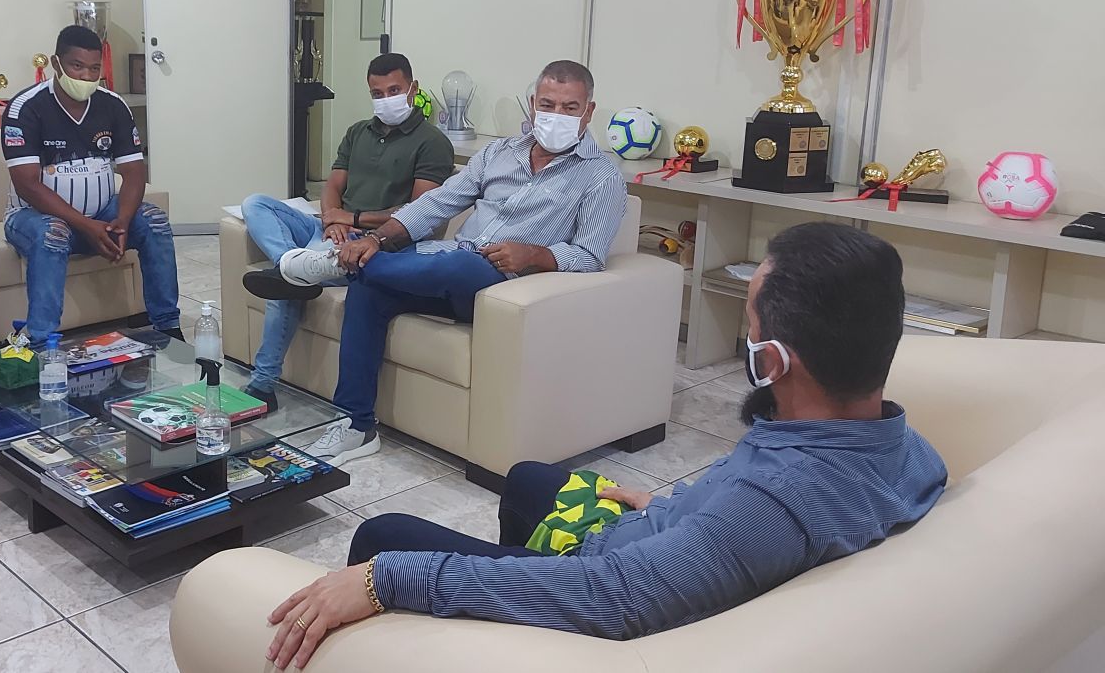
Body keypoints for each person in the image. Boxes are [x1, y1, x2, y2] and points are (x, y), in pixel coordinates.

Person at [262, 222, 948, 669]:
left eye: (747, 324)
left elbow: (611, 593)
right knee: (529, 478)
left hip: (606, 588)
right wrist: (671, 509)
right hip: (661, 542)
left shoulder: (767, 504)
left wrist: (389, 578)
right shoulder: (907, 447)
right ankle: (492, 635)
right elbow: (741, 514)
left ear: (771, 361)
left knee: (384, 537)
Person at [290, 61, 627, 464]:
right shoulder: (499, 153)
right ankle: (356, 426)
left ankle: (336, 266)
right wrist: (377, 239)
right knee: (371, 288)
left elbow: (590, 255)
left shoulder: (602, 177)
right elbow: (438, 202)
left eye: (570, 108)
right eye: (548, 104)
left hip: (502, 285)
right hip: (447, 268)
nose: (556, 116)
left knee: (460, 264)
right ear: (532, 104)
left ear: (589, 111)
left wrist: (536, 254)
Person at [238, 53, 455, 409]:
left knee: (287, 286)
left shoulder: (432, 141)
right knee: (255, 204)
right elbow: (333, 186)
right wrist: (330, 219)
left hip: (374, 242)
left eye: (394, 90)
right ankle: (290, 262)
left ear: (413, 88)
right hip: (332, 230)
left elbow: (418, 213)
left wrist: (350, 220)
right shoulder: (358, 132)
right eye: (377, 93)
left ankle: (262, 386)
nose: (386, 100)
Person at [2, 25, 181, 344]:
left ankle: (168, 328)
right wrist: (86, 226)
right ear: (56, 63)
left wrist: (122, 220)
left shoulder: (113, 105)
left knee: (154, 221)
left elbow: (134, 171)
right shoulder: (26, 107)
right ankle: (41, 341)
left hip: (102, 214)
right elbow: (27, 184)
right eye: (77, 66)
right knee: (53, 233)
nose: (86, 76)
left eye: (94, 68)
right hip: (33, 218)